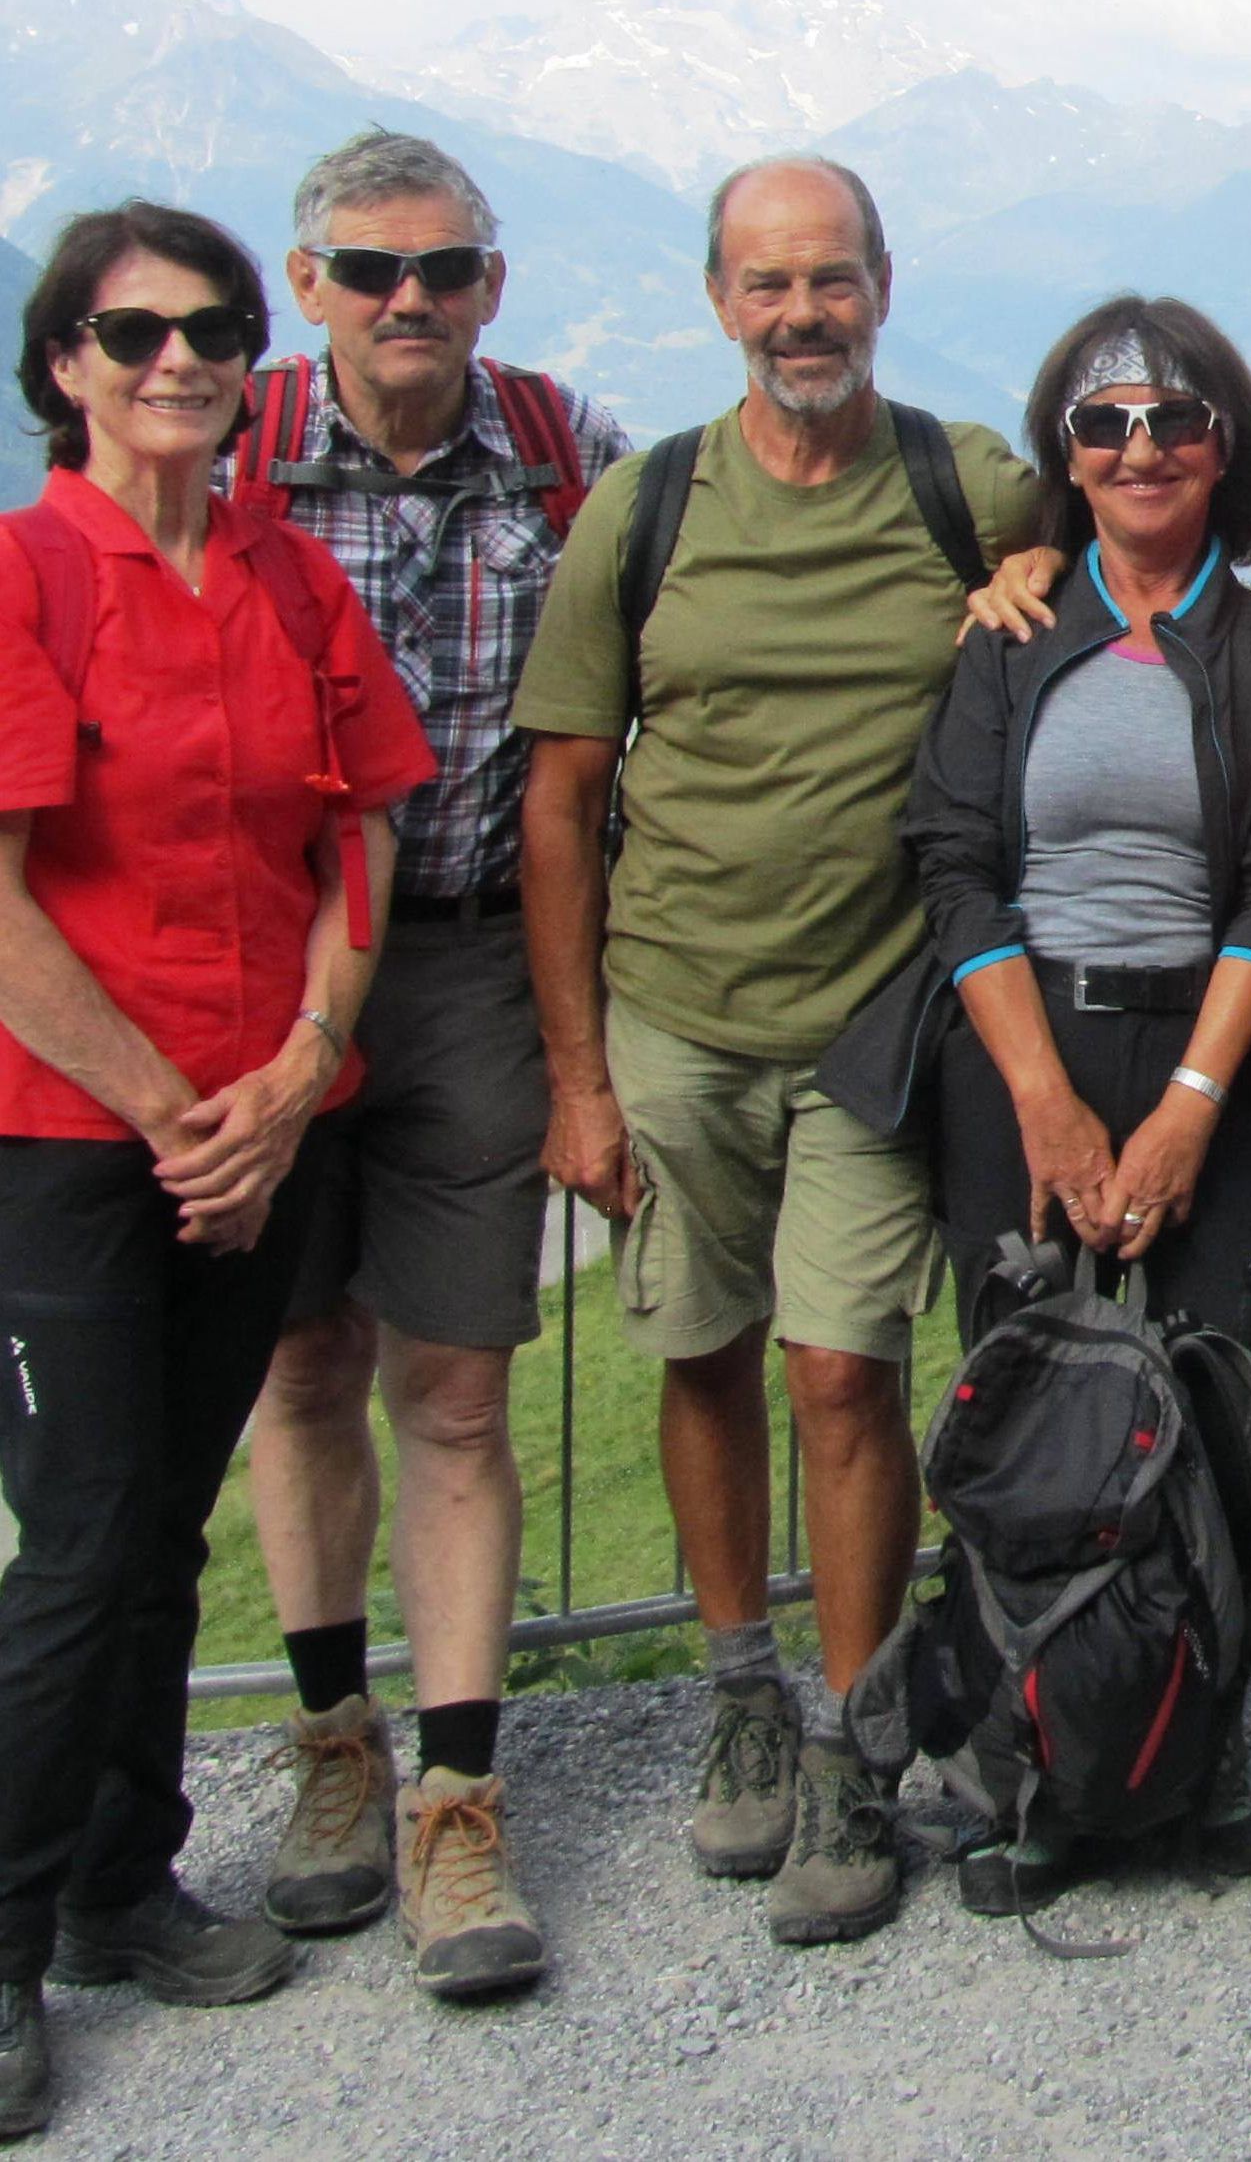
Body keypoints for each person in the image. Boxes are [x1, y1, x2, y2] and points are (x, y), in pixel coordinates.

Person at [514, 156, 1042, 1947]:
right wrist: (577, 1073)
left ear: (883, 283)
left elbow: (1102, 539)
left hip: (873, 1023)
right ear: (719, 301)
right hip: (671, 1014)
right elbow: (564, 796)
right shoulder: (647, 506)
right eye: (767, 285)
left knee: (841, 1370)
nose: (800, 314)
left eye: (830, 280)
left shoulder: (959, 481)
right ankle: (740, 1680)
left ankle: (847, 1729)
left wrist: (1040, 553)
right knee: (699, 1350)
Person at [0, 202, 432, 2139]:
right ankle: (6, 1945)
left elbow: (366, 836)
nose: (178, 359)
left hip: (261, 1122)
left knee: (165, 1523)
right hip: (76, 1145)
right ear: (65, 363)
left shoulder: (285, 575)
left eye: (215, 330)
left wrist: (300, 1073)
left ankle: (122, 1878)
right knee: (83, 1540)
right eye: (135, 330)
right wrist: (187, 1109)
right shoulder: (25, 576)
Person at [230, 129, 627, 2002]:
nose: (412, 303)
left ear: (493, 281)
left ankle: (456, 1796)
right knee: (300, 1363)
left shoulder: (569, 452)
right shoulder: (216, 450)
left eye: (447, 271)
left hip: (470, 951)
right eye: (373, 270)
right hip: (256, 974)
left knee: (453, 1390)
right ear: (305, 283)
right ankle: (332, 1742)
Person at [898, 294, 1251, 1877]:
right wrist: (1045, 1101)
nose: (1143, 449)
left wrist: (1193, 1103)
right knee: (1028, 1402)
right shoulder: (1012, 636)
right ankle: (1040, 1756)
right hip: (1024, 1047)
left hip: (1208, 1041)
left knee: (1219, 1382)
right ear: (1064, 458)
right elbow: (957, 869)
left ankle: (1196, 1748)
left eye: (1178, 420)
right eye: (1106, 424)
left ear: (1228, 446)